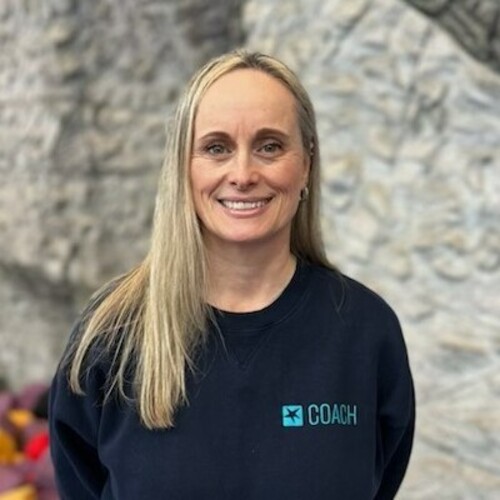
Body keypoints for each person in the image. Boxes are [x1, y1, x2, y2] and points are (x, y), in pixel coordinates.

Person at [49, 49, 415, 499]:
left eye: (269, 146)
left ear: (306, 163)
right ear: (183, 166)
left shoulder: (364, 330)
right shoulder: (111, 336)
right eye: (216, 148)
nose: (242, 174)